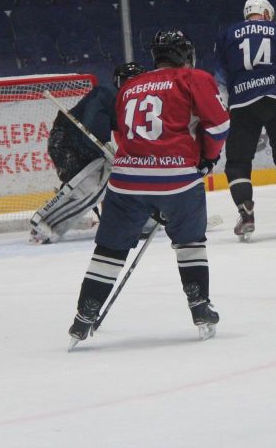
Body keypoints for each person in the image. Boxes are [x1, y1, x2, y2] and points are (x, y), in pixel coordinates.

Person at [67, 29, 229, 347]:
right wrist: (208, 159)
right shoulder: (194, 78)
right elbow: (219, 125)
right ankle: (199, 307)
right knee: (190, 243)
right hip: (178, 179)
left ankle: (84, 315)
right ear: (185, 54)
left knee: (110, 250)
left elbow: (125, 135)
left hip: (127, 180)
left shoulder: (130, 86)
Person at [213, 0, 276, 241]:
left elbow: (220, 74)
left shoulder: (227, 34)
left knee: (238, 161)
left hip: (243, 101)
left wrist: (232, 97)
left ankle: (246, 213)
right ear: (266, 13)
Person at [30, 62, 146, 244]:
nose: (132, 86)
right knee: (89, 187)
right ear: (118, 81)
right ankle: (44, 226)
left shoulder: (130, 101)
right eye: (128, 81)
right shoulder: (108, 94)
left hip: (79, 143)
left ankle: (135, 221)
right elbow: (92, 130)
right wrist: (102, 151)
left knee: (105, 181)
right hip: (67, 143)